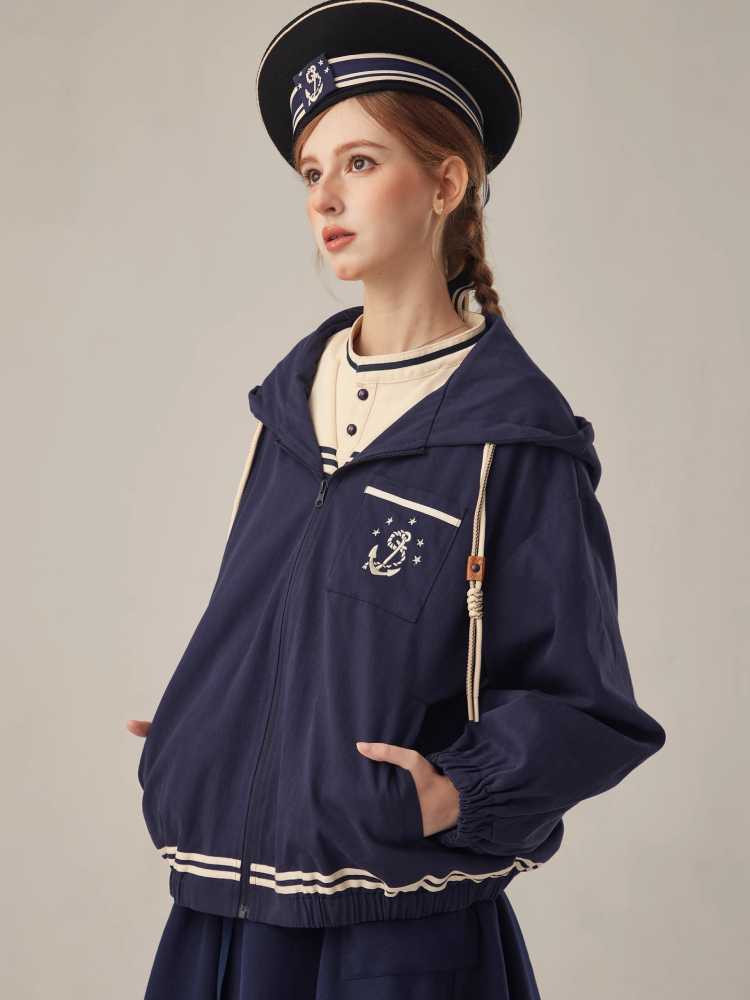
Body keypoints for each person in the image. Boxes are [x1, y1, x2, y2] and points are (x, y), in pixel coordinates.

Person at [129, 1, 667, 996]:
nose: (325, 197)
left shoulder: (512, 440)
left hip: (397, 934)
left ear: (446, 184)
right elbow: (285, 636)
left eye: (361, 162)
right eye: (311, 172)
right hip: (221, 921)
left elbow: (590, 707)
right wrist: (213, 724)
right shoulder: (286, 412)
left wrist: (456, 790)